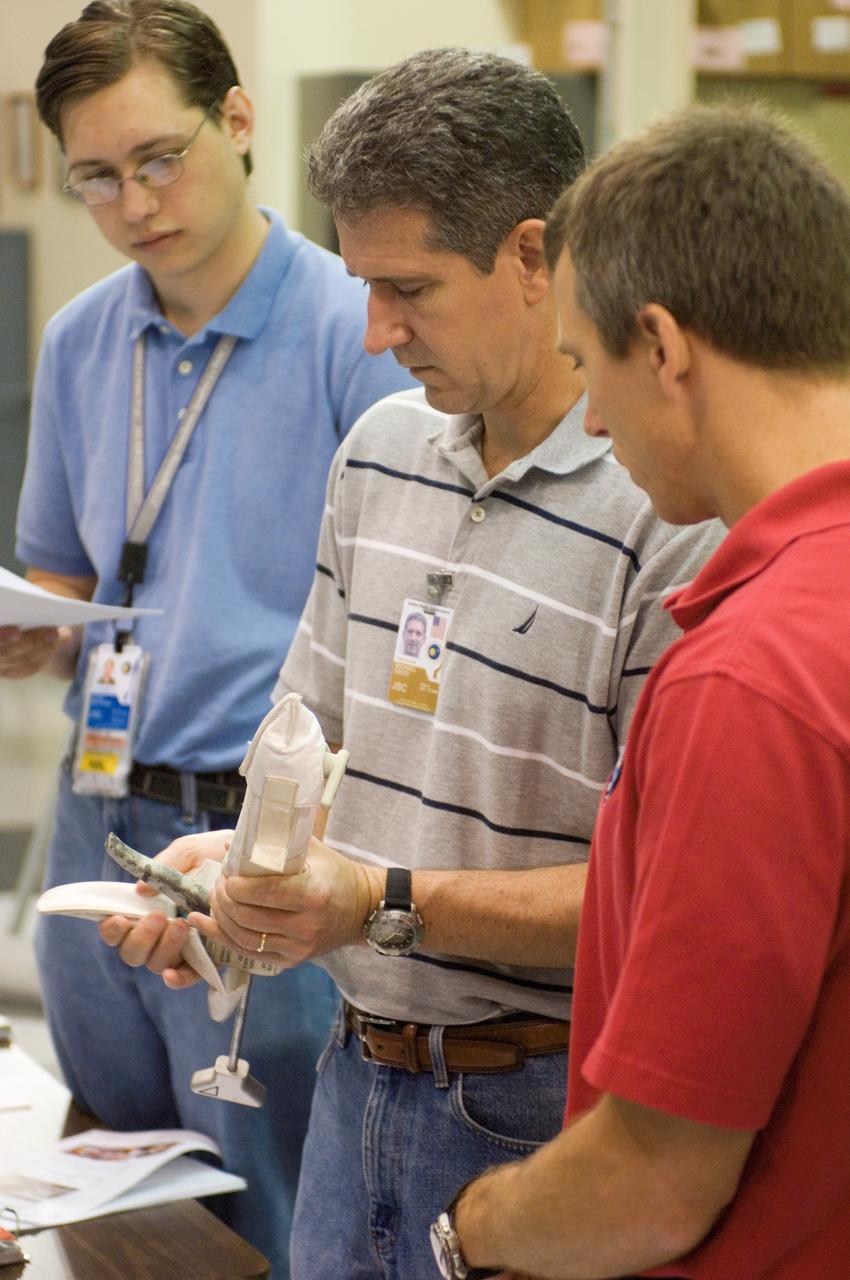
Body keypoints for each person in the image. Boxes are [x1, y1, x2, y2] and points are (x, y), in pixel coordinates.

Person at [101, 50, 723, 1279]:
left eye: (410, 290)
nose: (376, 333)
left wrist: (378, 898)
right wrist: (237, 884)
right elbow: (310, 746)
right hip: (352, 1087)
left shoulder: (672, 508)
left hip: (545, 1119)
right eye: (362, 288)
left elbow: (662, 901)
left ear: (535, 257)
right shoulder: (383, 452)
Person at [0, 3, 411, 1275]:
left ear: (239, 120)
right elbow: (69, 582)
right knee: (115, 1185)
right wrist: (30, 631)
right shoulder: (81, 340)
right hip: (97, 797)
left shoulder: (358, 327)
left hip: (260, 824)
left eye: (160, 157)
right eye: (97, 178)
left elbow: (396, 607)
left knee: (279, 1199)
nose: (134, 202)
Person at [446, 103, 850, 1280]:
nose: (594, 416)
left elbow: (656, 1177)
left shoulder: (751, 677)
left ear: (664, 345)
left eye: (585, 362)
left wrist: (470, 1228)